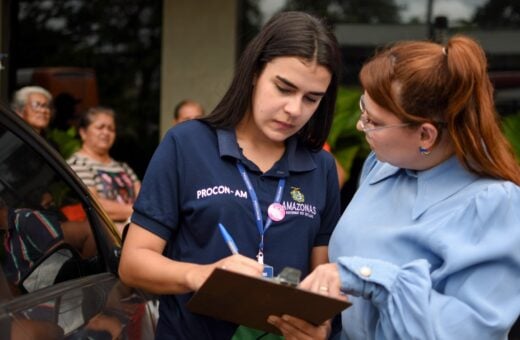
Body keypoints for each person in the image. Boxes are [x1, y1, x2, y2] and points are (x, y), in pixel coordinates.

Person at [270, 35, 520, 339]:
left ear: (426, 135)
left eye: (374, 121)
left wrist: (368, 277)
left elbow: (470, 330)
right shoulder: (381, 166)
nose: (361, 125)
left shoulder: (494, 203)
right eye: (364, 107)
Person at [119, 11, 342, 339]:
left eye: (311, 98)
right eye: (283, 88)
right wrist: (200, 275)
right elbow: (133, 263)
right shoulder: (187, 143)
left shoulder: (320, 166)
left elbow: (321, 276)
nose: (295, 109)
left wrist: (319, 328)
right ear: (254, 72)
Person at [67, 107, 141, 234]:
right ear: (83, 132)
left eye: (111, 129)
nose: (106, 132)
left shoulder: (123, 167)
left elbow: (144, 197)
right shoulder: (76, 164)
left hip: (135, 229)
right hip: (105, 237)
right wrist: (140, 213)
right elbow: (95, 205)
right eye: (100, 127)